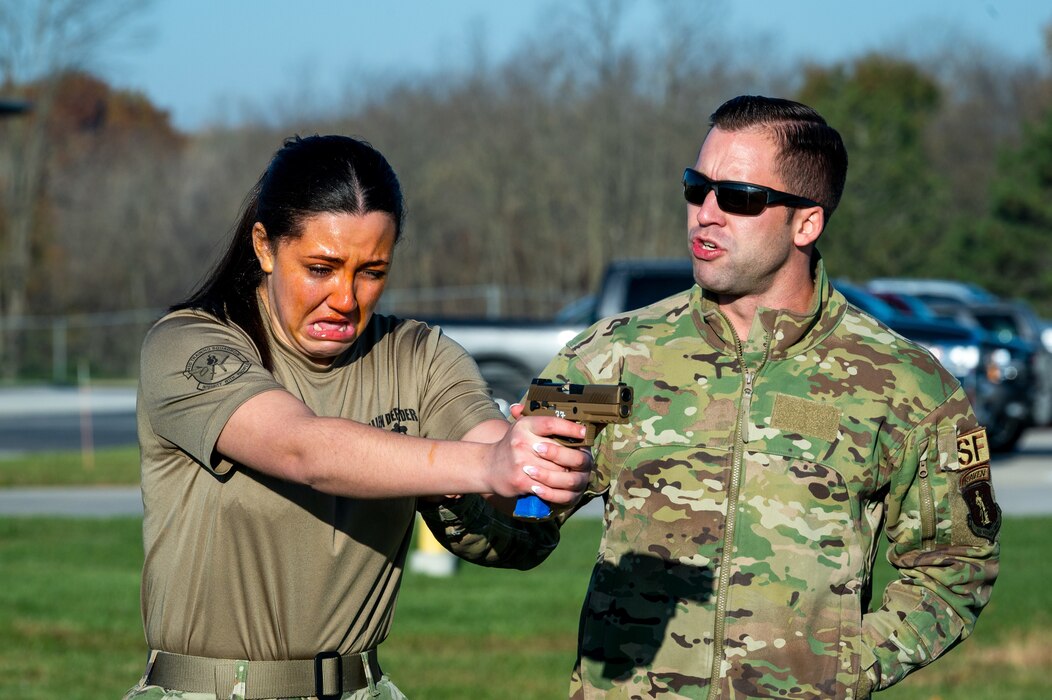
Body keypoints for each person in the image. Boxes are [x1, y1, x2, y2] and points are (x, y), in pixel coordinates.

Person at [426, 95, 1001, 699]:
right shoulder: (610, 358)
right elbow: (521, 532)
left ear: (807, 221)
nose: (706, 213)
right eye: (696, 188)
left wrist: (845, 666)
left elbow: (954, 570)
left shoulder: (906, 384)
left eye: (739, 198)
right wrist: (458, 485)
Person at [122, 134, 593, 700]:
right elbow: (303, 449)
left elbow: (487, 438)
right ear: (265, 247)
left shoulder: (418, 355)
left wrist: (537, 460)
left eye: (371, 271)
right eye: (321, 268)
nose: (345, 297)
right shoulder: (190, 346)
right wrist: (488, 463)